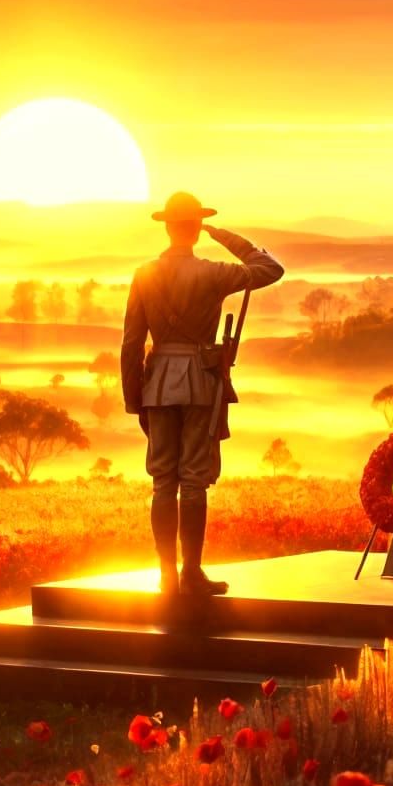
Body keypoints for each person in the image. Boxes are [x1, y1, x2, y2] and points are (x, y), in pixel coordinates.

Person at [121, 192, 284, 595]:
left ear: (166, 227)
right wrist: (224, 236)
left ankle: (167, 576)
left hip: (156, 384)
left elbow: (130, 342)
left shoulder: (144, 274)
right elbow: (269, 268)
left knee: (163, 482)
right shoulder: (213, 272)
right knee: (192, 481)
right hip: (198, 382)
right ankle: (190, 573)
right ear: (195, 229)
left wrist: (133, 398)